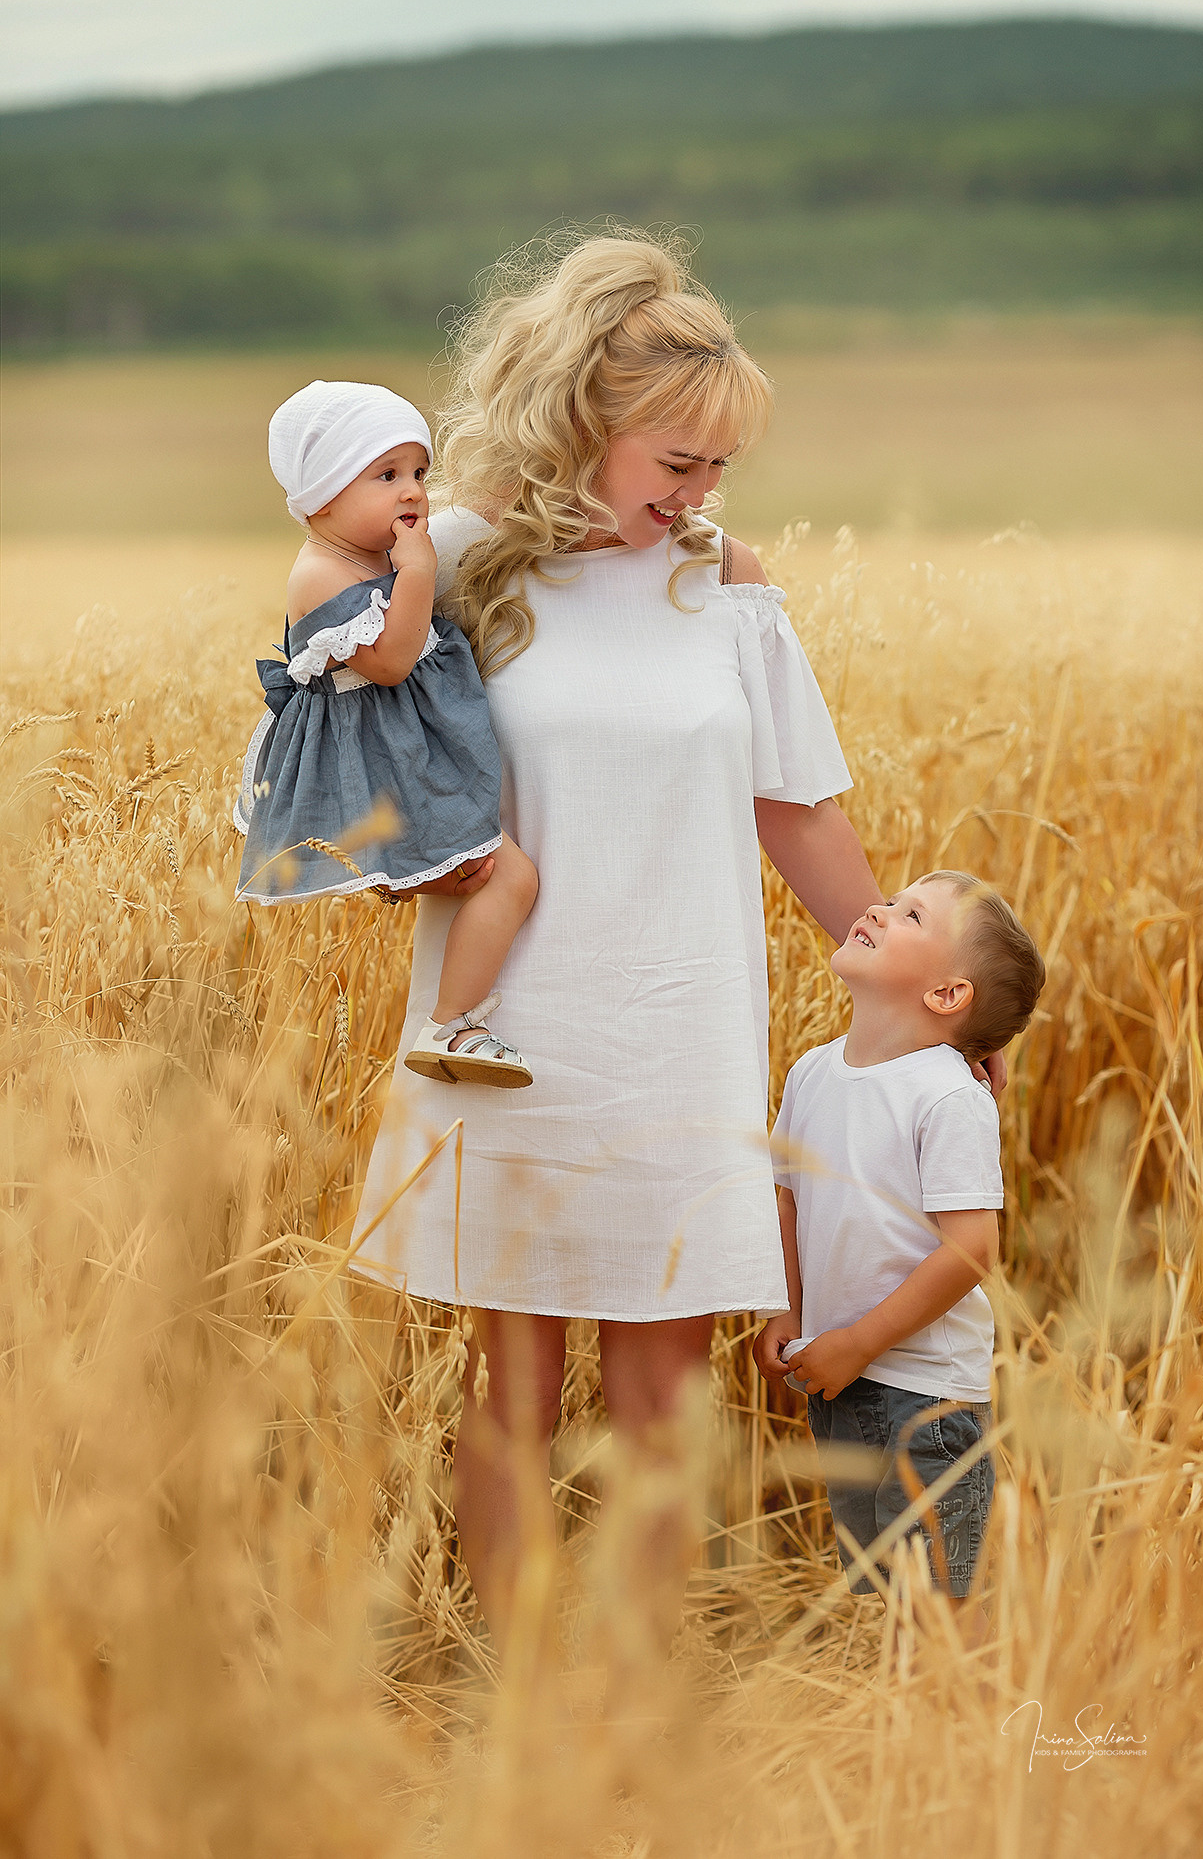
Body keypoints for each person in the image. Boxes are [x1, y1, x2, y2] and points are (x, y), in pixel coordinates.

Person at [352, 234, 891, 1671]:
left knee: (666, 1391)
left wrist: (918, 1000)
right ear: (582, 423)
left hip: (681, 1030)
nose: (702, 493)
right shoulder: (454, 568)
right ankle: (525, 1699)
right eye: (681, 459)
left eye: (719, 467)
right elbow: (349, 756)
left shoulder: (729, 585)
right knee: (512, 1383)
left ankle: (642, 1698)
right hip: (509, 1036)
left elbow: (802, 812)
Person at [234, 379, 538, 1086]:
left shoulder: (367, 555)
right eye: (386, 475)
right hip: (388, 769)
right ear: (321, 498)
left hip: (412, 754)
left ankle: (451, 1000)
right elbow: (396, 660)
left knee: (496, 873)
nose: (412, 493)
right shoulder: (320, 574)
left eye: (418, 473)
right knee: (512, 876)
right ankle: (454, 1025)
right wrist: (421, 575)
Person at [754, 871, 1044, 1605]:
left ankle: (956, 1720)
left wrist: (860, 1341)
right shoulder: (812, 1073)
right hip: (840, 1385)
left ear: (947, 995)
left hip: (925, 1399)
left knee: (937, 1611)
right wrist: (787, 1312)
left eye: (910, 914)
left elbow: (972, 1248)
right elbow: (789, 1201)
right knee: (879, 1595)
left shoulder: (947, 1095)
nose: (877, 907)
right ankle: (900, 1721)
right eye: (889, 900)